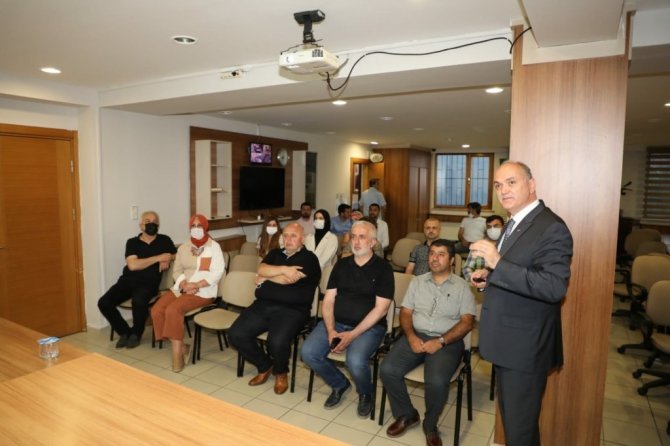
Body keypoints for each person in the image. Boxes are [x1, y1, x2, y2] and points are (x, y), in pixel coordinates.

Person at [469, 161, 573, 446]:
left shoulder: (551, 227)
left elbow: (553, 287)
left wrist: (497, 263)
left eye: (511, 182)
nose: (503, 190)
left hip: (525, 348)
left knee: (520, 432)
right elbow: (518, 272)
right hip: (508, 343)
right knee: (515, 425)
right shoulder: (515, 222)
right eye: (498, 185)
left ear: (531, 184)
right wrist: (489, 278)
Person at [380, 239, 476, 446]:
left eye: (441, 254)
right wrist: (411, 336)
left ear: (452, 260)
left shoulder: (462, 286)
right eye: (432, 253)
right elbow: (406, 313)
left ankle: (430, 425)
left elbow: (467, 322)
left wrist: (441, 341)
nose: (435, 258)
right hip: (416, 335)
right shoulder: (417, 281)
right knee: (387, 369)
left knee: (437, 381)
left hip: (447, 341)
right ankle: (407, 414)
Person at [301, 220, 394, 418]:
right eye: (353, 237)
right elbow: (328, 301)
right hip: (337, 322)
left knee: (355, 360)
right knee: (308, 352)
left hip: (369, 328)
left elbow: (381, 310)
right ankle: (340, 384)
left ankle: (366, 394)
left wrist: (352, 335)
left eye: (362, 237)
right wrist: (331, 329)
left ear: (373, 242)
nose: (356, 242)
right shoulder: (341, 265)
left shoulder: (383, 269)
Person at [228, 223, 320, 395]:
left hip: (293, 310)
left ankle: (281, 372)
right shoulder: (275, 253)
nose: (288, 239)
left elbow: (289, 279)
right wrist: (283, 269)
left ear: (303, 239)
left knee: (276, 342)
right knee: (236, 334)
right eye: (285, 235)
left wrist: (266, 277)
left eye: (293, 236)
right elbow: (260, 268)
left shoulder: (309, 259)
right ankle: (265, 365)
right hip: (263, 305)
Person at [151, 214, 225, 372]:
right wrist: (184, 284)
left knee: (173, 310)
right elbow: (176, 271)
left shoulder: (214, 247)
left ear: (205, 227)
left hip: (203, 290)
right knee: (157, 310)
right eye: (193, 226)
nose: (196, 229)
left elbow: (217, 273)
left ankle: (177, 355)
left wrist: (196, 285)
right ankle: (182, 346)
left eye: (199, 226)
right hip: (183, 287)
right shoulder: (183, 248)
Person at [98, 211, 176, 349]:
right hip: (127, 280)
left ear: (158, 225)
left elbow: (176, 254)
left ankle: (136, 334)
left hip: (149, 282)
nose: (151, 224)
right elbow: (133, 265)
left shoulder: (164, 240)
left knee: (138, 301)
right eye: (147, 221)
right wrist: (158, 258)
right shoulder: (132, 242)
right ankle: (124, 332)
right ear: (141, 225)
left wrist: (168, 258)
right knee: (104, 302)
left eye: (155, 222)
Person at [462, 214, 504, 281]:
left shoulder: (509, 245)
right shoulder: (479, 245)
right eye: (489, 227)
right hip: (479, 283)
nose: (492, 229)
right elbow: (467, 268)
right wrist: (475, 279)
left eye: (496, 226)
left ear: (503, 227)